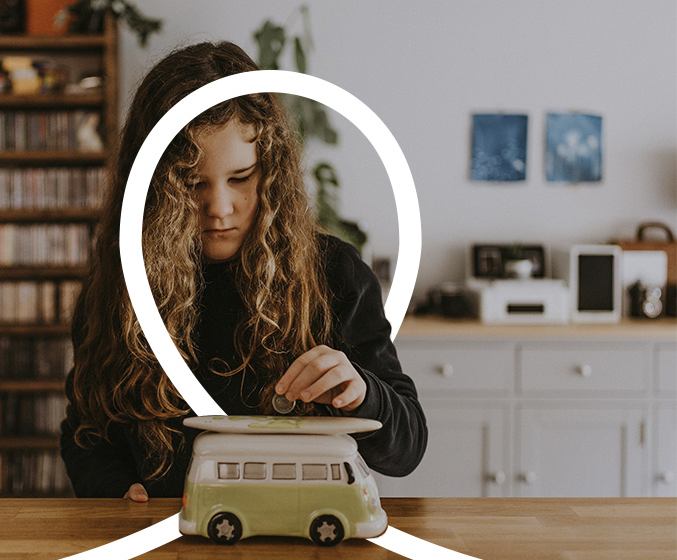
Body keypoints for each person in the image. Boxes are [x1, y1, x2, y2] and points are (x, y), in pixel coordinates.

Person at [60, 41, 427, 502]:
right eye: (191, 183)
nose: (219, 208)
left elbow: (408, 448)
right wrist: (115, 490)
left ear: (271, 170)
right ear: (153, 186)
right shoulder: (119, 285)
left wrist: (362, 392)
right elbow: (86, 433)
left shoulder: (336, 274)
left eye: (241, 178)